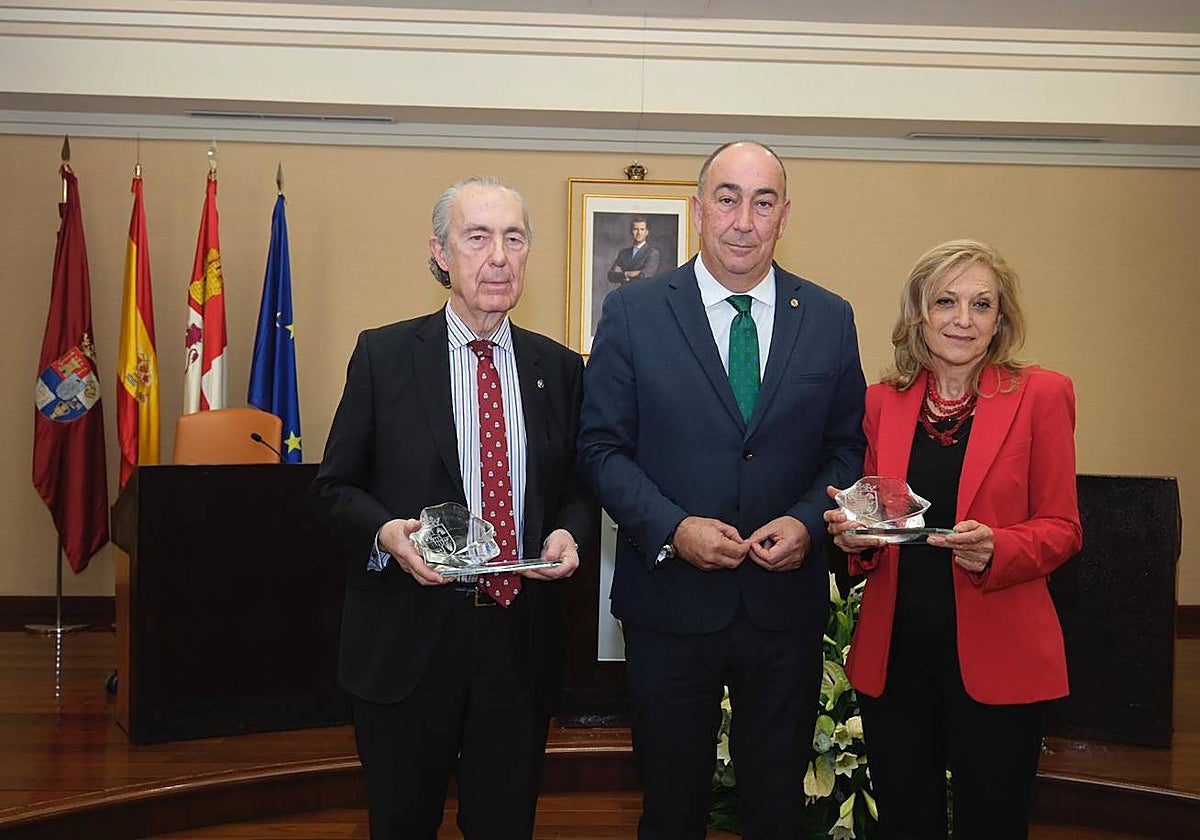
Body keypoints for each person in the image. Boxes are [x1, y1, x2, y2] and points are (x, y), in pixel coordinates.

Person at [578, 140, 868, 839]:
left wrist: (806, 521)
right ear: (700, 210)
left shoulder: (828, 318)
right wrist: (675, 528)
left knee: (776, 809)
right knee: (672, 809)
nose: (745, 219)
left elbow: (846, 446)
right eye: (729, 198)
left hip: (783, 606)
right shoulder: (634, 312)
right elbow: (600, 449)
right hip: (670, 607)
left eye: (763, 202)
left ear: (784, 215)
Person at [310, 176, 595, 840]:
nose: (499, 256)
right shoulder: (383, 357)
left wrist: (567, 533)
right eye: (478, 238)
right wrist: (386, 533)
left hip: (517, 645)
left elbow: (578, 490)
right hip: (409, 642)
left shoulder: (559, 369)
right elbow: (332, 490)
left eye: (514, 238)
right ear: (441, 253)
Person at [824, 239, 1083, 839]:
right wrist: (854, 533)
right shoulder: (881, 403)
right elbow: (875, 521)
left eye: (981, 305)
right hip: (898, 657)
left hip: (1002, 653)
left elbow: (1064, 528)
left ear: (1001, 320)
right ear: (919, 313)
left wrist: (999, 547)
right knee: (905, 824)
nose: (963, 320)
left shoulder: (1042, 395)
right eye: (946, 301)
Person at [606, 216, 661, 284]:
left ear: (647, 232)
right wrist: (628, 274)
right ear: (631, 231)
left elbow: (645, 276)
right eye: (635, 229)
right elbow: (611, 276)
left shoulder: (652, 253)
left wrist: (622, 274)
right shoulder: (623, 253)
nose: (639, 233)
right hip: (624, 293)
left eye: (642, 229)